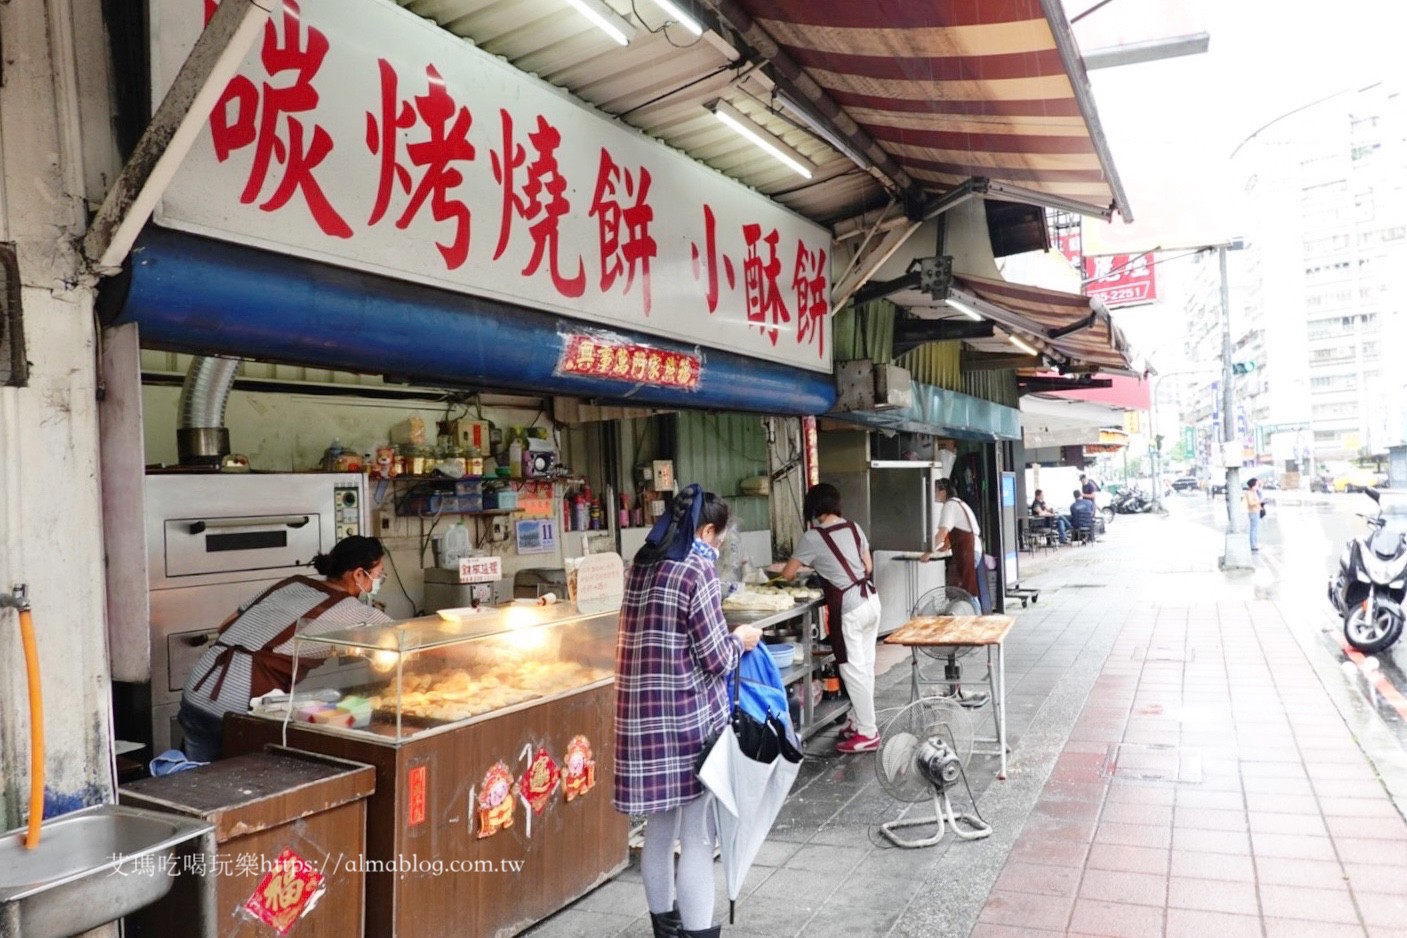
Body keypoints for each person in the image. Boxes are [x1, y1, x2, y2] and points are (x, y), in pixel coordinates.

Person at [614, 485, 762, 938]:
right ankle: (697, 932)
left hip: (641, 716)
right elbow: (716, 658)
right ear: (707, 529)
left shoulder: (642, 563)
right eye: (717, 537)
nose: (717, 546)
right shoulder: (697, 568)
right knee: (698, 834)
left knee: (660, 827)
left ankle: (665, 925)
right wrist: (743, 639)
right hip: (687, 720)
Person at [178, 535, 393, 762]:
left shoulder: (292, 584)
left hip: (198, 687)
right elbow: (398, 640)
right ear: (359, 574)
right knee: (235, 783)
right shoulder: (354, 612)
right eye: (378, 575)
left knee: (193, 776)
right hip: (234, 707)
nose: (377, 582)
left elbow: (225, 626)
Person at [779, 483, 882, 754]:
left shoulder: (813, 537)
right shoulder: (853, 527)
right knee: (865, 666)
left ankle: (868, 733)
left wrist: (815, 564)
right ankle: (859, 721)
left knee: (852, 669)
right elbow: (867, 567)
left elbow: (788, 574)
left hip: (849, 608)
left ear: (813, 508)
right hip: (871, 600)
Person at [931, 478, 984, 599]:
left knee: (966, 591)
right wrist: (945, 546)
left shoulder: (949, 505)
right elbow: (953, 529)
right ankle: (968, 614)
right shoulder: (958, 503)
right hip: (972, 549)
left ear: (943, 492)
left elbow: (943, 531)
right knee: (962, 589)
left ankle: (973, 615)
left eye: (935, 491)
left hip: (968, 551)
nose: (933, 494)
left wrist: (928, 551)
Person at [1245, 477, 1264, 552]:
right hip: (1253, 512)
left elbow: (1260, 492)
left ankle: (1255, 543)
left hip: (1256, 511)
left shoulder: (1254, 492)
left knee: (1255, 529)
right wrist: (1259, 501)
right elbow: (1251, 503)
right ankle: (1253, 545)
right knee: (1253, 529)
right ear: (1252, 486)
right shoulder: (1249, 493)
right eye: (1256, 485)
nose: (1257, 486)